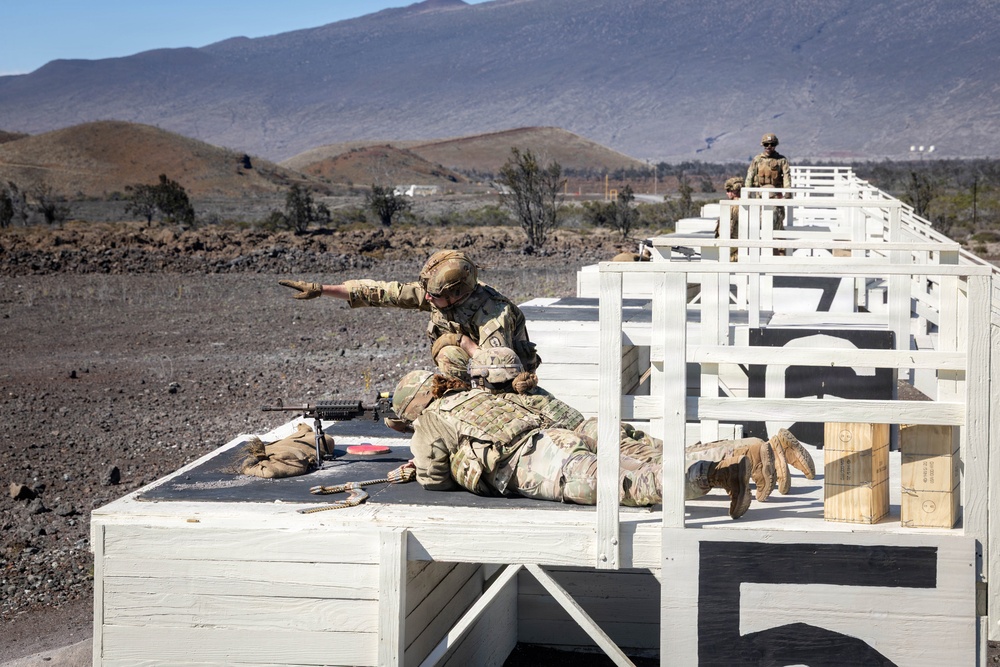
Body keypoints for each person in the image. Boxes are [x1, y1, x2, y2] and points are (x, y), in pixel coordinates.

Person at [393, 365, 760, 518]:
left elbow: (432, 477)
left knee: (630, 486)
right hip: (559, 441)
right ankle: (739, 456)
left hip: (539, 465)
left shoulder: (430, 418)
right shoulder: (476, 397)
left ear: (415, 406)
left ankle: (718, 475)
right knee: (648, 466)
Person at [465, 346, 814, 502]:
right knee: (671, 455)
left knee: (651, 472)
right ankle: (762, 447)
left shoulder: (498, 404)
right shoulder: (533, 390)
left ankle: (745, 458)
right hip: (596, 428)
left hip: (582, 441)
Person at [277, 249, 539, 380]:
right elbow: (384, 292)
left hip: (505, 386)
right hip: (474, 376)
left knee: (450, 352)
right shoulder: (440, 297)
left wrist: (463, 343)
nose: (426, 299)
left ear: (456, 294)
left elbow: (499, 371)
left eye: (432, 295)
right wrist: (322, 290)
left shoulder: (493, 314)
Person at [745, 133, 792, 232]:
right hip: (760, 192)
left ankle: (778, 243)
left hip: (776, 192)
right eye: (766, 144)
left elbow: (786, 176)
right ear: (763, 145)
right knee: (758, 217)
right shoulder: (757, 160)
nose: (769, 147)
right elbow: (750, 175)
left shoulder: (781, 160)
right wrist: (747, 192)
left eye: (772, 144)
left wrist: (787, 192)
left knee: (778, 216)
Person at [714, 177, 744, 261]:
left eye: (728, 191)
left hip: (733, 243)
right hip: (740, 243)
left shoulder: (734, 206)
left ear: (734, 191)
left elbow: (727, 229)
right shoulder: (746, 204)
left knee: (711, 253)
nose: (727, 193)